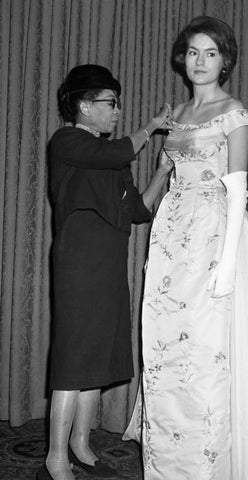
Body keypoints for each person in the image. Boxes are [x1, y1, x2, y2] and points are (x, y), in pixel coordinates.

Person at [123, 16, 248, 480]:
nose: (199, 61)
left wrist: (227, 265)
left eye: (210, 53)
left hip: (214, 233)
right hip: (171, 236)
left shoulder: (234, 112)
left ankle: (208, 463)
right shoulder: (177, 116)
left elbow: (237, 189)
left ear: (225, 60)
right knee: (166, 345)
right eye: (192, 52)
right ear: (182, 60)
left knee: (207, 350)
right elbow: (168, 172)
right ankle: (169, 460)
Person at [37, 64, 173, 480]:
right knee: (74, 358)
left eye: (117, 104)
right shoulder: (67, 141)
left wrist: (162, 170)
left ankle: (81, 444)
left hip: (109, 264)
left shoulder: (111, 158)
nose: (116, 112)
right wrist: (152, 127)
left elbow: (139, 210)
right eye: (110, 103)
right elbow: (118, 151)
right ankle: (55, 457)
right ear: (83, 105)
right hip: (80, 263)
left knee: (96, 356)